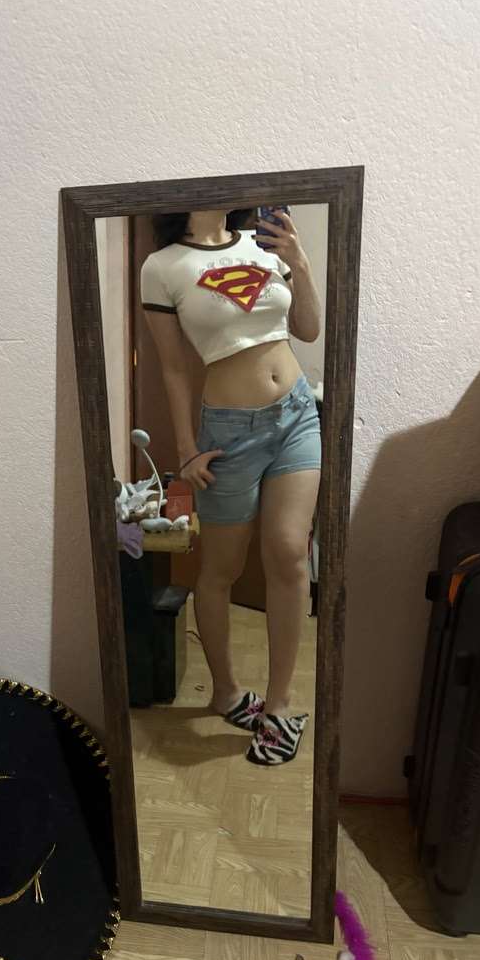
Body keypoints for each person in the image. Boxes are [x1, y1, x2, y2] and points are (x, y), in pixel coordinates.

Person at [140, 208, 322, 765]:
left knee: (289, 552)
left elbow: (308, 330)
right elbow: (174, 368)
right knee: (221, 568)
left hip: (297, 414)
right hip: (227, 433)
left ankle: (279, 704)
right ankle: (224, 690)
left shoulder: (262, 245)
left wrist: (299, 263)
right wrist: (185, 450)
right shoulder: (162, 266)